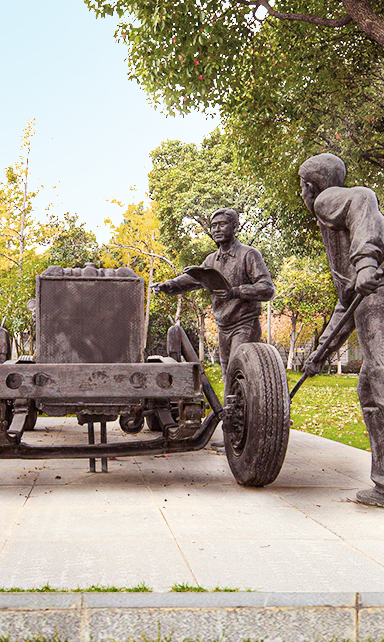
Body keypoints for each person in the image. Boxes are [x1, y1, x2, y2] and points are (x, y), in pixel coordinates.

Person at [299, 153, 384, 507]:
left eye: (301, 188)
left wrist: (365, 263)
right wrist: (321, 353)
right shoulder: (339, 230)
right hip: (366, 298)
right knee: (369, 389)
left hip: (377, 296)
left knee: (380, 380)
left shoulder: (325, 200)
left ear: (309, 186)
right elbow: (346, 302)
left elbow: (363, 195)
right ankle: (382, 485)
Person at [155, 208, 275, 379]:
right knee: (227, 374)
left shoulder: (248, 254)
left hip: (245, 324)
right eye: (213, 226)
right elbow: (192, 280)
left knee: (237, 370)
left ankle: (248, 404)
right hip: (223, 326)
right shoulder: (211, 261)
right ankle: (229, 406)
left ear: (234, 226)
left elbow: (267, 288)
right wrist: (169, 285)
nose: (217, 230)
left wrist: (236, 292)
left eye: (222, 225)